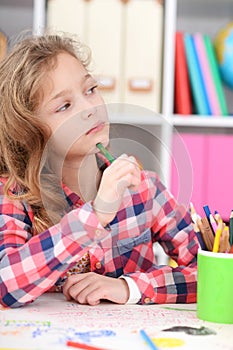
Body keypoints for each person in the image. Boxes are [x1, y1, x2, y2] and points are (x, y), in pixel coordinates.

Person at [0, 33, 199, 309]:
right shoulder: (16, 194)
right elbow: (4, 285)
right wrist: (94, 216)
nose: (90, 108)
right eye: (64, 106)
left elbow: (213, 271)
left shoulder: (145, 189)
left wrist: (128, 287)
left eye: (90, 90)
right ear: (30, 133)